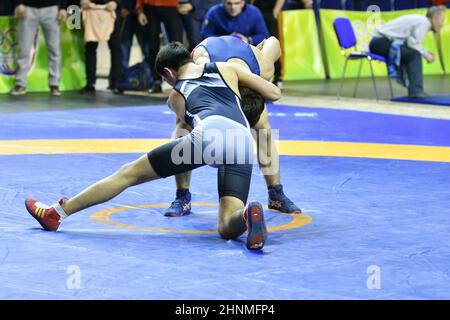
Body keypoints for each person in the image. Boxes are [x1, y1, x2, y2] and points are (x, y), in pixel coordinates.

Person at [25, 42, 281, 251]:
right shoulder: (228, 69)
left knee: (128, 173)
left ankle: (57, 213)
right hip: (242, 140)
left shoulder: (175, 96)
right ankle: (246, 214)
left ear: (169, 74)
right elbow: (273, 94)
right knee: (227, 225)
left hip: (211, 136)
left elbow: (183, 131)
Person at [162, 35, 302, 217]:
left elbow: (273, 41)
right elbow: (179, 91)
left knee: (264, 130)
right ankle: (182, 196)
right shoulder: (203, 69)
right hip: (208, 64)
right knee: (182, 126)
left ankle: (276, 193)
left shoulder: (262, 67)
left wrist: (259, 49)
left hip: (246, 68)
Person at [369, 6, 446, 98]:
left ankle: (414, 89)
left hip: (379, 43)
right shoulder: (425, 22)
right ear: (434, 18)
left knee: (412, 53)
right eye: (441, 20)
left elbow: (412, 42)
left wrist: (424, 52)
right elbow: (414, 45)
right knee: (414, 54)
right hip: (380, 43)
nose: (441, 24)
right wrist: (427, 55)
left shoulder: (421, 20)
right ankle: (416, 91)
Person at [10, 0, 68, 96]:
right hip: (27, 8)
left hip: (52, 9)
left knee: (54, 49)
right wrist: (18, 3)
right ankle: (20, 83)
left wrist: (63, 7)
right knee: (23, 49)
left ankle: (55, 84)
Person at [136, 0, 183, 93]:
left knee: (177, 46)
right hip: (150, 6)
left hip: (171, 5)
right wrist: (140, 11)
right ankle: (156, 81)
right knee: (152, 47)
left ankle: (181, 80)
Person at [79, 0, 123, 94]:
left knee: (115, 47)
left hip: (111, 9)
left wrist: (116, 2)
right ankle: (90, 82)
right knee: (90, 47)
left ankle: (116, 83)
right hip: (91, 9)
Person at [201, 0, 269, 46]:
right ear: (223, 2)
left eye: (236, 3)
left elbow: (264, 35)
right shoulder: (213, 12)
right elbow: (205, 35)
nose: (233, 7)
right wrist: (225, 39)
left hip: (249, 50)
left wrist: (248, 40)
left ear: (242, 2)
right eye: (229, 3)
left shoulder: (254, 12)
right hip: (220, 51)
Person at [252, 0, 284, 86]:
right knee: (257, 43)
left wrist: (275, 12)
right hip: (257, 10)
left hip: (270, 13)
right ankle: (257, 75)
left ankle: (278, 77)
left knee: (274, 44)